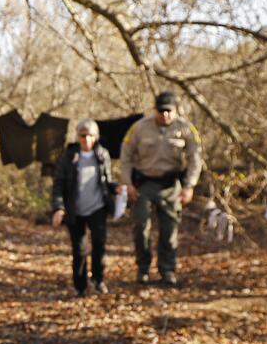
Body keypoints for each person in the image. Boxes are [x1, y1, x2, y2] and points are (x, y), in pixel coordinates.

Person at [118, 91, 203, 285]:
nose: (164, 115)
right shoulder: (139, 128)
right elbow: (126, 157)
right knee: (141, 227)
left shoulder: (186, 129)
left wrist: (189, 185)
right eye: (161, 110)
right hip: (144, 184)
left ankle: (167, 270)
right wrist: (127, 183)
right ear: (154, 110)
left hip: (171, 186)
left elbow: (195, 159)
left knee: (169, 230)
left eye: (169, 111)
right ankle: (143, 268)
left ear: (175, 111)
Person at [50, 119, 115, 297]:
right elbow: (58, 185)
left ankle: (98, 280)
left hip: (97, 207)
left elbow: (107, 181)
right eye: (83, 136)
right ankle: (79, 286)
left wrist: (117, 189)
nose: (86, 139)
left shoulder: (102, 155)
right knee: (79, 250)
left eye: (90, 136)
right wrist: (58, 208)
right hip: (75, 210)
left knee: (99, 244)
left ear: (96, 137)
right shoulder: (69, 157)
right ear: (78, 137)